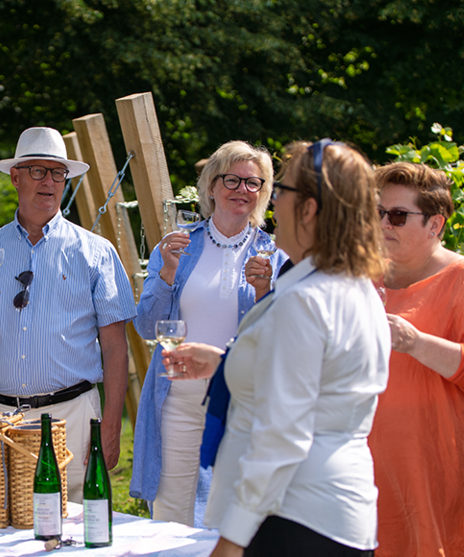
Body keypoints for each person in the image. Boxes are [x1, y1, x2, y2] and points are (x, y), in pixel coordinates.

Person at [166, 139, 390, 556]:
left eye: (280, 191)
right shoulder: (353, 287)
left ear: (308, 209)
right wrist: (224, 362)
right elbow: (325, 383)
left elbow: (282, 435)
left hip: (293, 518)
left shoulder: (303, 301)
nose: (269, 205)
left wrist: (232, 540)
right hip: (340, 513)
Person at [0, 126, 137, 502]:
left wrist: (110, 425)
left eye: (57, 172)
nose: (49, 181)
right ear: (15, 177)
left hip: (73, 417)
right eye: (37, 171)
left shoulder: (95, 252)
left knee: (75, 534)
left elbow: (115, 348)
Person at [130, 141, 288, 527]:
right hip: (178, 395)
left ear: (264, 192)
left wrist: (266, 291)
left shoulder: (274, 255)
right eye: (231, 179)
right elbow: (147, 326)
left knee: (234, 512)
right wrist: (167, 272)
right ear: (211, 187)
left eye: (254, 183)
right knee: (172, 513)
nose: (242, 190)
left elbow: (281, 340)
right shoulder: (178, 246)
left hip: (241, 398)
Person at [369, 162, 464, 557]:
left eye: (398, 216)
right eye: (378, 212)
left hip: (437, 476)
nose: (384, 223)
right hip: (365, 474)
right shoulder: (366, 279)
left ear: (435, 225)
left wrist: (417, 343)